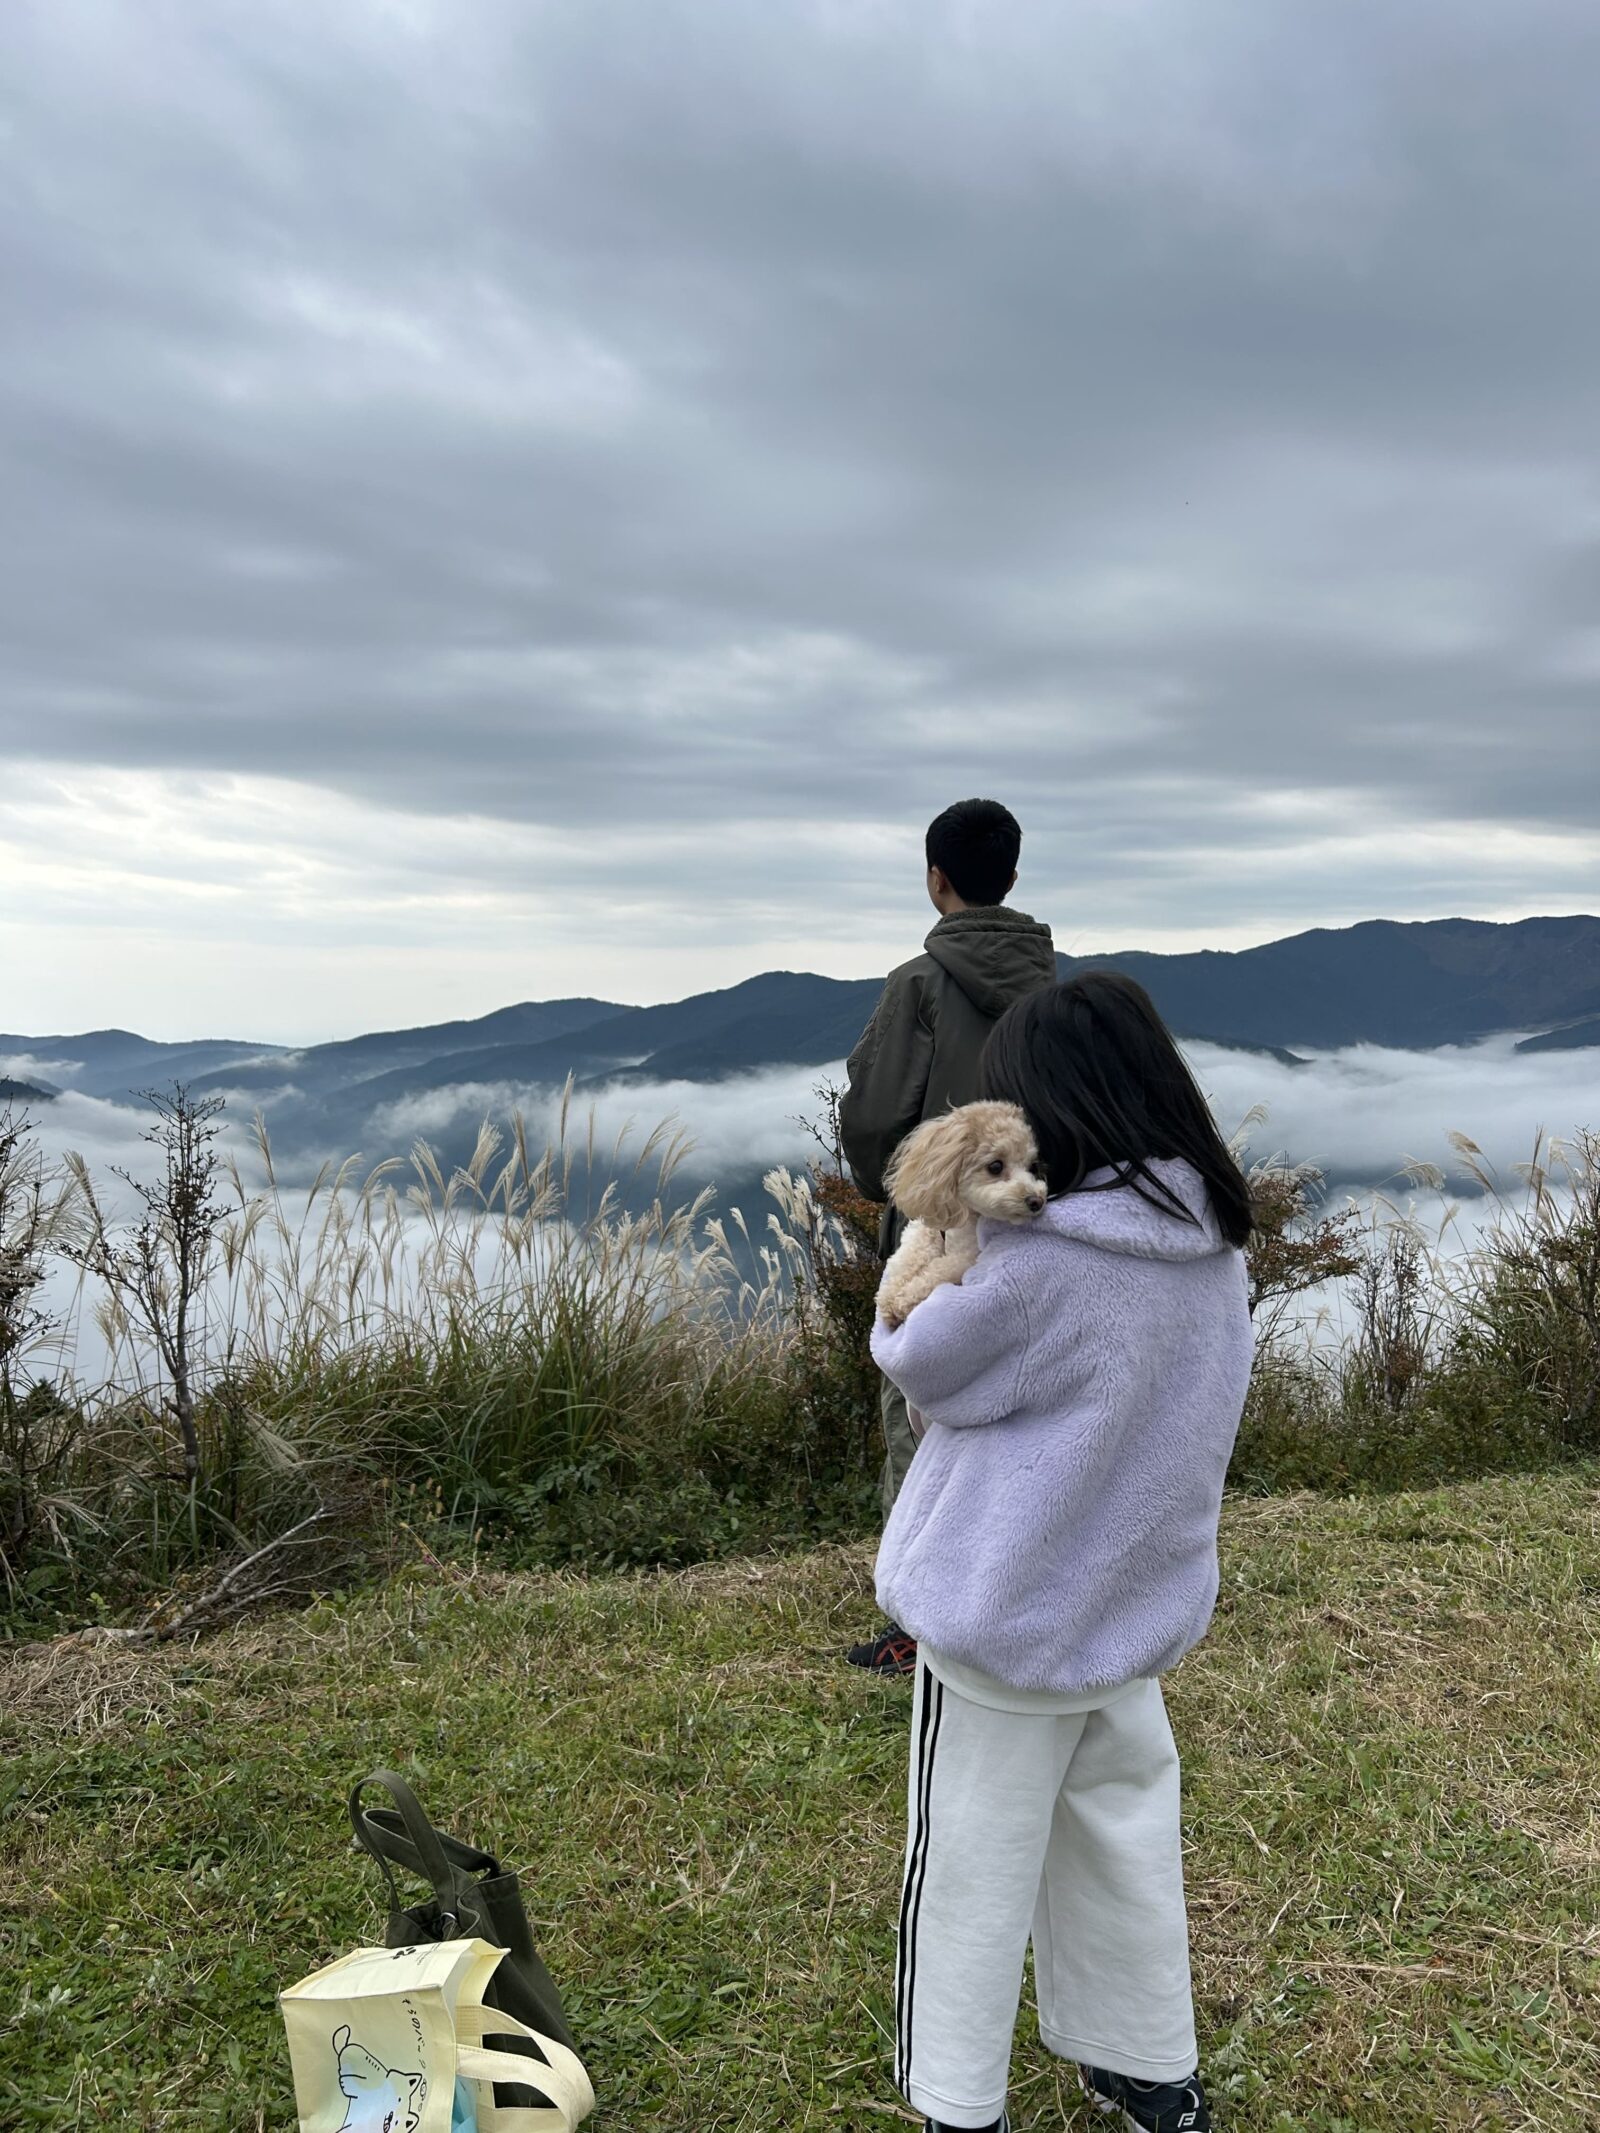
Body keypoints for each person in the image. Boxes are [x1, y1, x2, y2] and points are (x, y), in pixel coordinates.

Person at [871, 971, 1255, 2133]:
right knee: (1122, 1838)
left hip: (1007, 1610)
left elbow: (922, 1365)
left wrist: (925, 1250)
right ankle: (1150, 2074)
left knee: (971, 1872)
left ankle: (956, 2101)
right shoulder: (1213, 1247)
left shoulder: (1038, 1262)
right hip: (1132, 1610)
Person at [839, 798, 1056, 1674]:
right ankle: (1012, 1594)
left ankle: (920, 1625)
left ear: (937, 880)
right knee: (1016, 1415)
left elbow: (877, 1117)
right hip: (1043, 1229)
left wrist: (894, 1190)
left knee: (919, 1405)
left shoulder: (919, 986)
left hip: (937, 1237)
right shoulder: (1056, 986)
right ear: (1011, 876)